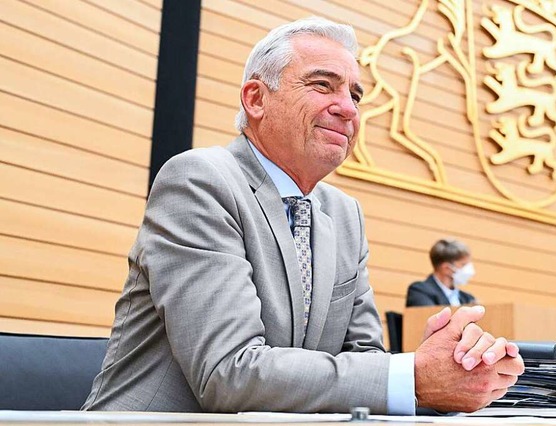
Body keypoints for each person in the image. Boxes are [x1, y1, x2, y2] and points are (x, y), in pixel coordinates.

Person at [83, 17, 523, 415]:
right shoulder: (200, 181)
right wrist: (413, 377)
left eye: (355, 94)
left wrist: (444, 363)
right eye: (322, 85)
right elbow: (228, 372)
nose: (349, 109)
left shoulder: (344, 213)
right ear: (256, 98)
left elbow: (365, 362)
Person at [407, 239, 477, 307]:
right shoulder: (420, 291)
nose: (469, 269)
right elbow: (428, 316)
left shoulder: (468, 298)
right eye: (463, 264)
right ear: (446, 268)